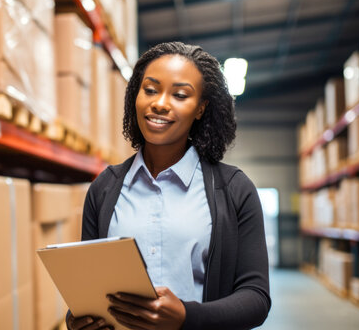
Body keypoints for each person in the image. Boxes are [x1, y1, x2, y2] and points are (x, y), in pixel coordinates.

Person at [67, 42, 271, 330]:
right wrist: (78, 318)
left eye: (179, 95)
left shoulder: (234, 189)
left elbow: (256, 299)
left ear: (200, 108)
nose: (160, 103)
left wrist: (187, 317)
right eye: (150, 90)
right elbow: (89, 286)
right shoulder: (104, 188)